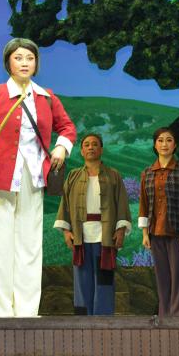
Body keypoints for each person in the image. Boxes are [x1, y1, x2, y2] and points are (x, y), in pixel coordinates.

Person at [0, 38, 76, 317]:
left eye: (30, 58)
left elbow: (67, 127)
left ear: (36, 63)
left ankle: (27, 311)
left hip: (33, 177)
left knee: (30, 244)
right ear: (8, 63)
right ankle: (1, 312)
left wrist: (61, 148)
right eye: (18, 58)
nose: (25, 63)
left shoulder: (46, 97)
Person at [54, 133, 130, 316]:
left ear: (101, 149)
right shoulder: (73, 176)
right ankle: (83, 320)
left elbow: (122, 204)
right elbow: (65, 205)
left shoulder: (113, 175)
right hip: (81, 236)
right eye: (86, 144)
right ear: (81, 151)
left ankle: (103, 320)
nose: (90, 147)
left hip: (105, 237)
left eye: (95, 144)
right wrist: (66, 231)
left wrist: (120, 229)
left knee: (104, 281)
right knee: (82, 280)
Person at [138, 127, 179, 316]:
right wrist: (145, 233)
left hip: (178, 232)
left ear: (175, 145)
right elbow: (143, 204)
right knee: (161, 276)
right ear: (155, 145)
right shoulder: (147, 172)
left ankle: (178, 317)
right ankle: (164, 316)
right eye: (160, 140)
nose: (164, 144)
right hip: (155, 232)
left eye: (169, 140)